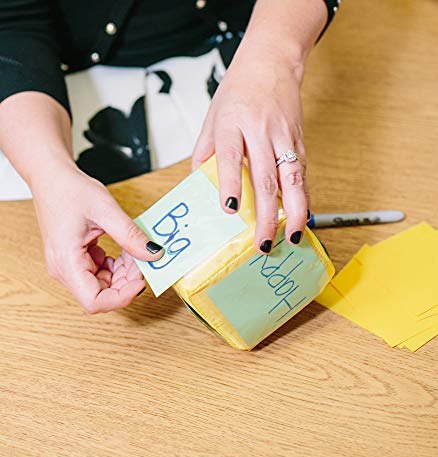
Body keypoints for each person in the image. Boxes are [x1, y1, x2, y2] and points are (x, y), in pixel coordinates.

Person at [0, 0, 339, 314]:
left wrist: (275, 58)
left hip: (268, 38)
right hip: (37, 102)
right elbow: (9, 22)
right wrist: (48, 175)